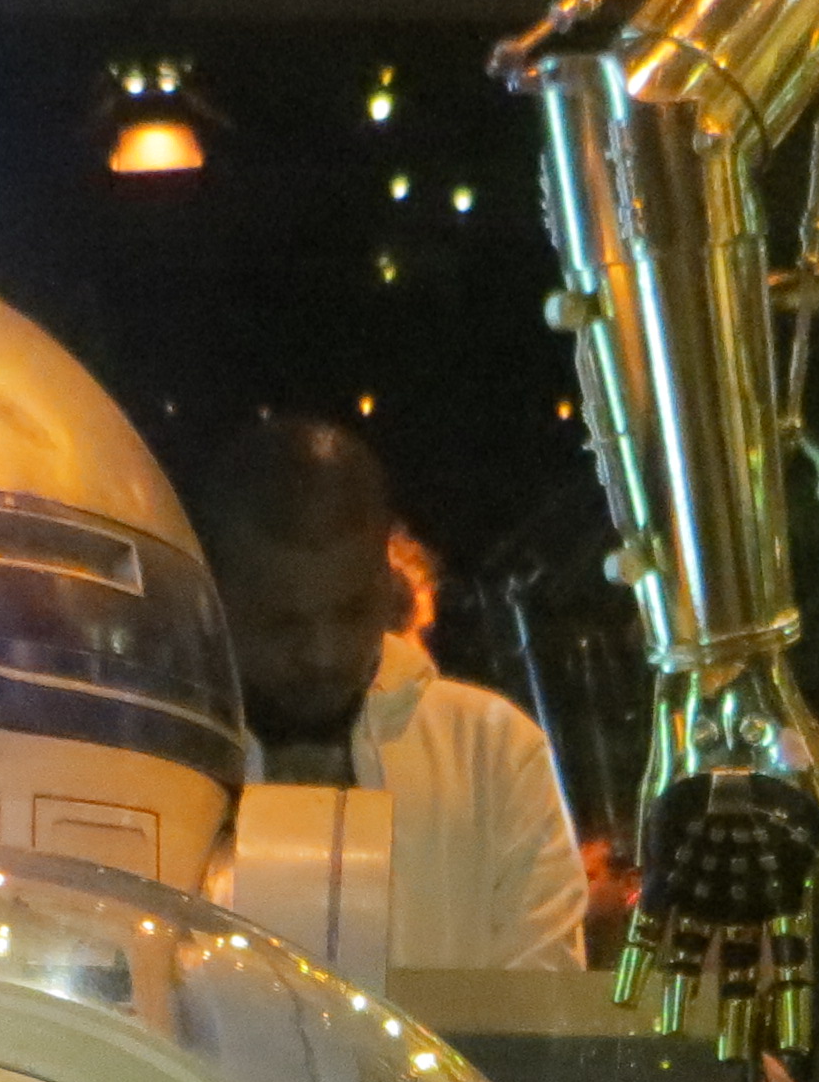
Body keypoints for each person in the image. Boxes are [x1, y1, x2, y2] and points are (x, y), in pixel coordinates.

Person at [190, 415, 589, 975]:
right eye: (283, 623)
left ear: (387, 580)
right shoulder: (160, 757)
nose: (323, 653)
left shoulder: (496, 752)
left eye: (351, 611)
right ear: (214, 596)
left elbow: (541, 997)